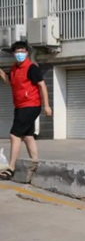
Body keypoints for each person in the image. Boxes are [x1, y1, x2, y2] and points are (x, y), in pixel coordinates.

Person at [0, 41, 52, 180]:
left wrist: (47, 105)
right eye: (17, 51)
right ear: (13, 53)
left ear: (27, 53)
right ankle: (35, 163)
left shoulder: (31, 68)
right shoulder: (14, 69)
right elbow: (10, 82)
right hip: (19, 106)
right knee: (28, 136)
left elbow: (42, 86)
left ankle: (11, 168)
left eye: (22, 51)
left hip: (31, 105)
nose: (20, 54)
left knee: (14, 135)